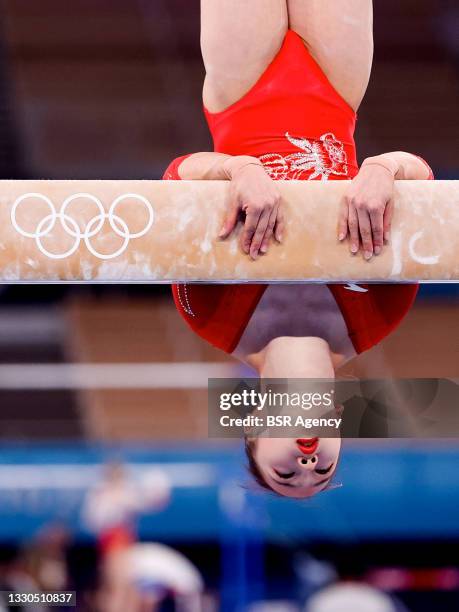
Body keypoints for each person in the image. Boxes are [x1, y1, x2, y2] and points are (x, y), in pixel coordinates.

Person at [164, 0, 434, 498]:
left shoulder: (211, 317)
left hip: (243, 88)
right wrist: (385, 168)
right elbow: (427, 190)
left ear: (251, 432)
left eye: (285, 473)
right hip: (336, 86)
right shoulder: (377, 318)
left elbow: (174, 180)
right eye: (323, 471)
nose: (306, 464)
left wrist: (239, 169)